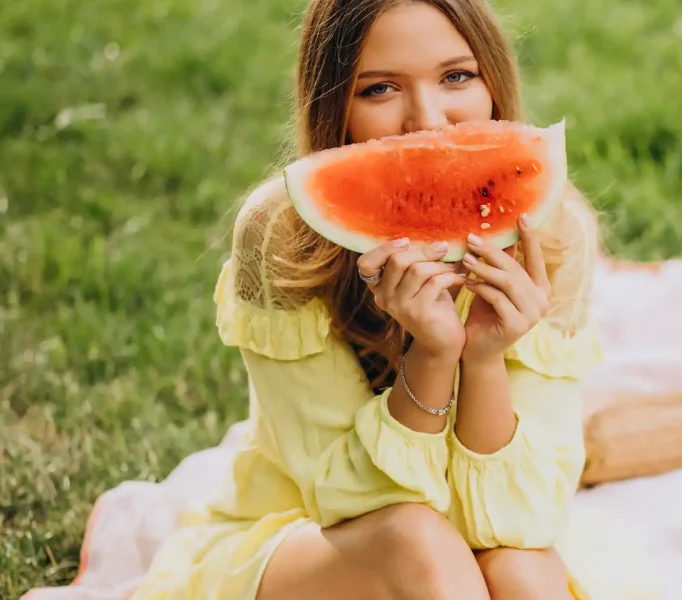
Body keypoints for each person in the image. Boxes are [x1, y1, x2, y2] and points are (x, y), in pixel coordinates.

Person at [131, 1, 651, 598]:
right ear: (335, 109)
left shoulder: (554, 234)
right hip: (310, 535)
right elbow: (345, 502)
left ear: (494, 83)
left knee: (524, 572)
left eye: (457, 76)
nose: (427, 121)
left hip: (483, 539)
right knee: (419, 544)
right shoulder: (281, 235)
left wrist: (481, 361)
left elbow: (521, 522)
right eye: (379, 89)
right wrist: (431, 358)